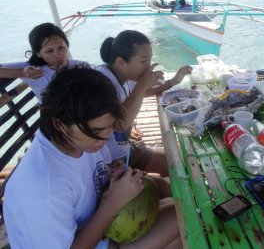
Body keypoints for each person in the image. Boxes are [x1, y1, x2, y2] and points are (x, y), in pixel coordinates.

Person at [3, 65, 181, 249]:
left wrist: (115, 175)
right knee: (181, 220)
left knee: (171, 199)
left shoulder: (78, 142)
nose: (105, 138)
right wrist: (112, 204)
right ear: (60, 123)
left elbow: (94, 173)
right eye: (96, 130)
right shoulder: (42, 190)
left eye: (110, 126)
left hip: (100, 225)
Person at [97, 30, 192, 177]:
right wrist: (142, 84)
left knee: (179, 163)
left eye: (149, 60)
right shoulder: (102, 83)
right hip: (112, 163)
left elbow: (140, 94)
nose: (148, 67)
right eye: (143, 61)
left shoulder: (120, 74)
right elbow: (120, 123)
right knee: (171, 179)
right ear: (121, 62)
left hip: (125, 149)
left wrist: (171, 82)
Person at [0, 22, 85, 103]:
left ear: (67, 45)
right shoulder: (33, 69)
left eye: (61, 47)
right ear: (38, 53)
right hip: (54, 116)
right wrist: (22, 72)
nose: (57, 54)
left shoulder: (82, 67)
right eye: (49, 51)